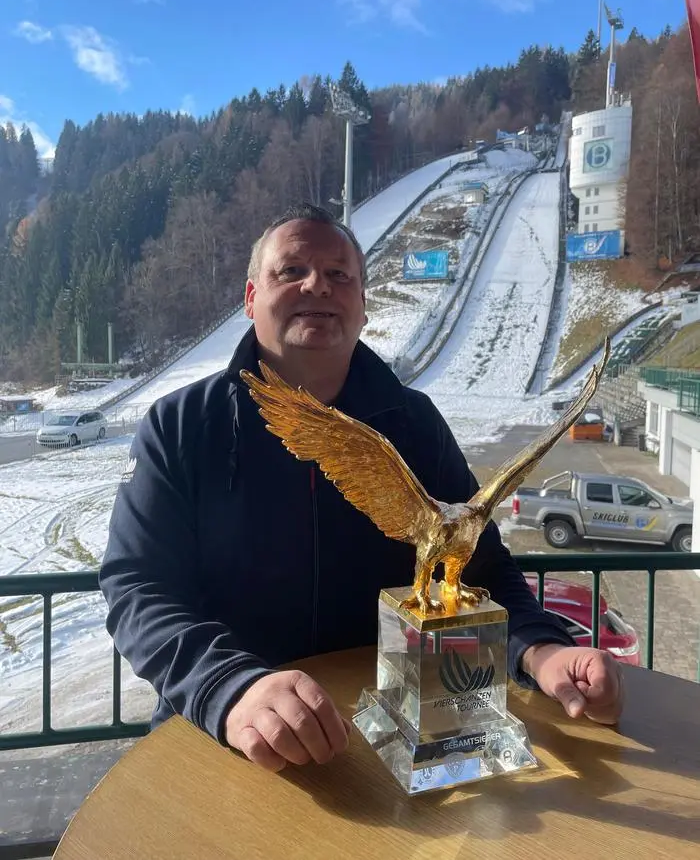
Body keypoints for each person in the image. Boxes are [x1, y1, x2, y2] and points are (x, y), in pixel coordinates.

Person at [100, 202, 623, 774]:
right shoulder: (180, 425)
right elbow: (139, 588)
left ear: (362, 306)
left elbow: (482, 567)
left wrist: (540, 650)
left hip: (381, 743)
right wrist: (230, 688)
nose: (317, 285)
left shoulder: (415, 423)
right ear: (251, 299)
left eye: (339, 274)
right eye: (291, 271)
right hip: (221, 734)